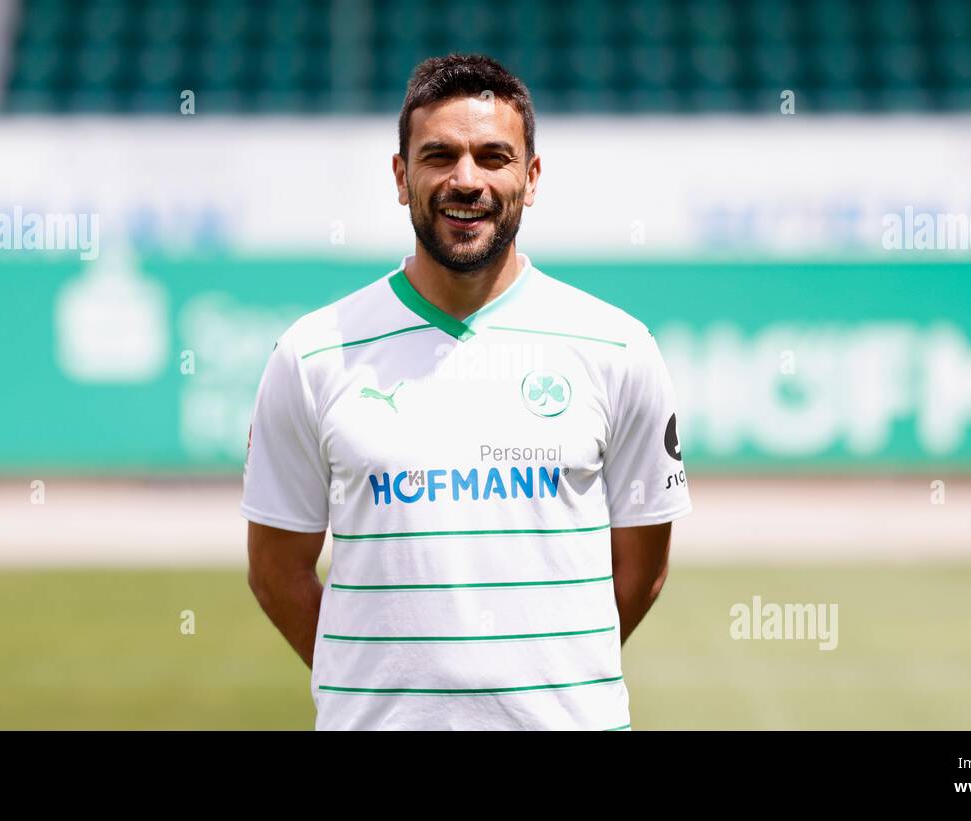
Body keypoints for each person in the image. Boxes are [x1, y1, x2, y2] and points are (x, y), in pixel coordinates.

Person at [243, 54, 691, 730]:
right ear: (401, 176)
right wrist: (382, 689)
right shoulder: (311, 354)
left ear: (531, 177)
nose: (466, 180)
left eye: (493, 156)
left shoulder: (618, 348)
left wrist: (541, 688)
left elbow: (640, 569)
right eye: (440, 155)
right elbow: (277, 570)